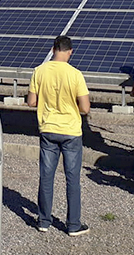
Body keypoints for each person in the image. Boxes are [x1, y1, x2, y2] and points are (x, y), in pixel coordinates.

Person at [27, 35, 91, 235]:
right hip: (71, 131)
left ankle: (44, 221)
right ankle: (73, 225)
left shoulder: (39, 71)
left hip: (47, 129)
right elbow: (85, 108)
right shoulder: (75, 74)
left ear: (53, 49)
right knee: (72, 178)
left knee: (46, 176)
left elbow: (31, 102)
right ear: (70, 51)